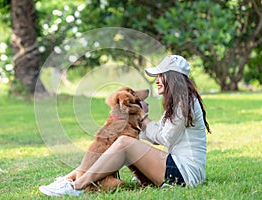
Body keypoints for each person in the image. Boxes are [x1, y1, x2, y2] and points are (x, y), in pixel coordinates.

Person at [39, 55, 211, 196]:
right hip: (179, 169)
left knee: (124, 143)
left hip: (185, 174)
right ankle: (69, 179)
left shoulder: (183, 99)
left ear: (172, 77)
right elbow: (159, 134)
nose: (157, 81)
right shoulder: (179, 100)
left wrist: (142, 117)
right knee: (121, 142)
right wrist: (126, 127)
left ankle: (76, 187)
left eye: (161, 76)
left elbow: (165, 138)